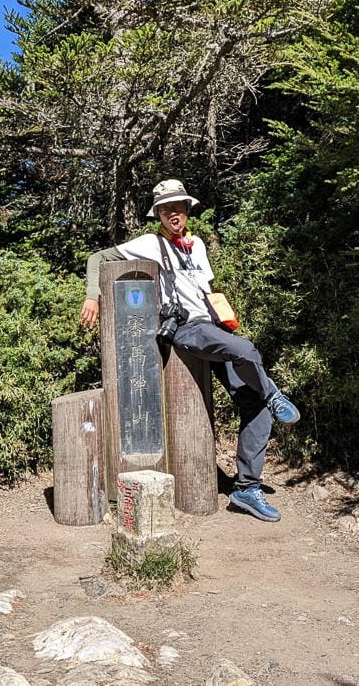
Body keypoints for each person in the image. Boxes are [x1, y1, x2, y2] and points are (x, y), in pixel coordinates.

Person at [80, 178, 300, 522]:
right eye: (166, 209)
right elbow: (99, 257)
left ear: (187, 210)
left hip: (212, 326)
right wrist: (93, 295)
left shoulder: (196, 245)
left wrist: (223, 313)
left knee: (253, 404)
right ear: (158, 214)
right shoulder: (151, 243)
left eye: (178, 207)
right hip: (188, 330)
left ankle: (246, 488)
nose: (174, 213)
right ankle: (275, 394)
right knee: (247, 350)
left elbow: (206, 287)